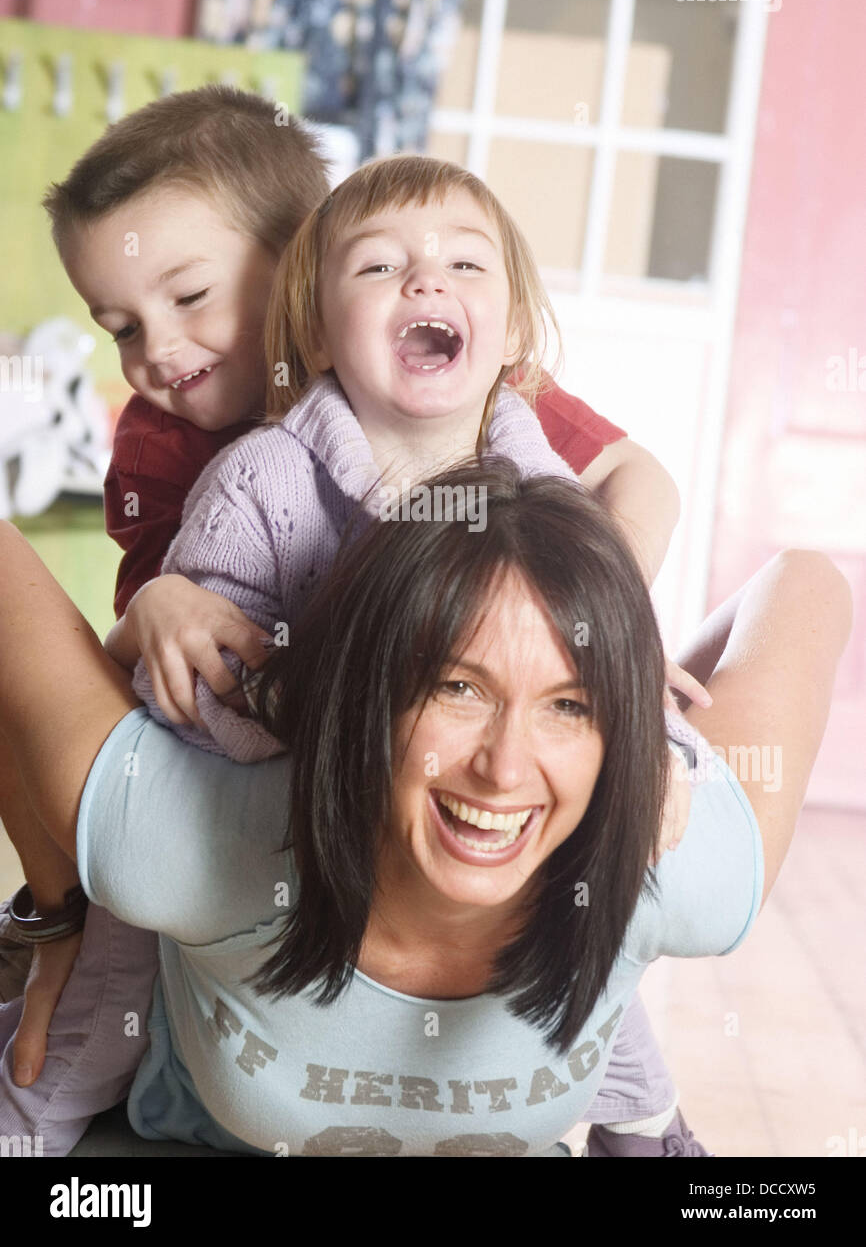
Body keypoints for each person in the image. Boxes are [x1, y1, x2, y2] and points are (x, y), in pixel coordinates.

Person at [0, 94, 673, 1155]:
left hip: (418, 765)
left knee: (585, 873)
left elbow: (636, 476)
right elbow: (133, 675)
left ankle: (639, 1100)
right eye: (119, 327)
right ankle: (57, 985)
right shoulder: (169, 443)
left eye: (189, 296)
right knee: (125, 872)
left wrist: (602, 628)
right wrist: (158, 604)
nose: (157, 352)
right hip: (242, 740)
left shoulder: (464, 400)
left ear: (303, 259)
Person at [0, 461, 851, 1155]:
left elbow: (806, 581)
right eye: (457, 687)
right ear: (368, 696)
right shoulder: (183, 843)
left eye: (571, 705)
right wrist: (57, 904)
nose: (504, 768)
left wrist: (631, 675)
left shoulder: (680, 865)